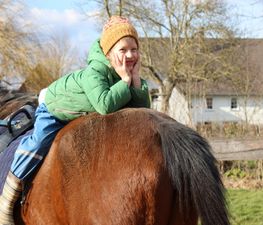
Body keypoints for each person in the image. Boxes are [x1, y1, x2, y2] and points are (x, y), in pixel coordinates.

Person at [0, 15, 150, 224]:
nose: (130, 55)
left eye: (134, 49)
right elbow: (104, 105)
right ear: (108, 53)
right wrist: (125, 81)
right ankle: (8, 196)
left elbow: (141, 112)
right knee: (39, 142)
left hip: (82, 115)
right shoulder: (95, 72)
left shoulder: (125, 73)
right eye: (122, 50)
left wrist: (135, 83)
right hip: (55, 109)